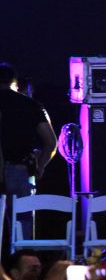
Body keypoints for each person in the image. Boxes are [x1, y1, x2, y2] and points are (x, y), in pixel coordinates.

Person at [0, 63, 57, 197]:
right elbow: (51, 142)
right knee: (22, 216)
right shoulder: (31, 105)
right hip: (21, 170)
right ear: (14, 82)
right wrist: (40, 166)